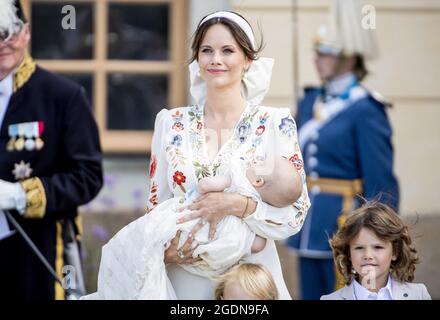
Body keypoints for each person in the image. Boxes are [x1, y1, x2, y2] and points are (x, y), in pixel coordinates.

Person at [144, 10, 310, 300]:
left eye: (227, 50)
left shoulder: (274, 122)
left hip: (249, 280)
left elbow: (296, 213)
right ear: (197, 59)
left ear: (247, 60)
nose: (215, 59)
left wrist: (237, 205)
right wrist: (164, 250)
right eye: (206, 50)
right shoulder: (171, 122)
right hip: (185, 278)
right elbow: (155, 205)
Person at [286, 0, 400, 300]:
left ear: (348, 59)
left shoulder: (367, 109)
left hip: (347, 223)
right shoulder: (311, 101)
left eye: (325, 53)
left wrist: (377, 237)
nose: (317, 60)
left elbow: (379, 178)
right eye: (318, 52)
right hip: (308, 221)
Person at [82, 156, 301, 299]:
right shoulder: (169, 121)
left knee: (141, 242)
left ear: (260, 181)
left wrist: (229, 202)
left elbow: (295, 215)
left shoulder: (239, 176)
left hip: (244, 283)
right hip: (195, 265)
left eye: (261, 161)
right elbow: (156, 198)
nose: (256, 159)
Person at [0, 0, 103, 300]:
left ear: (27, 33)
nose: (4, 42)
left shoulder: (62, 96)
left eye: (11, 32)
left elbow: (88, 176)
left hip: (35, 249)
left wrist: (21, 195)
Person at [321, 201, 431, 300]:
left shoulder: (418, 294)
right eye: (359, 248)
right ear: (349, 253)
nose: (368, 255)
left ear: (395, 252)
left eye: (378, 247)